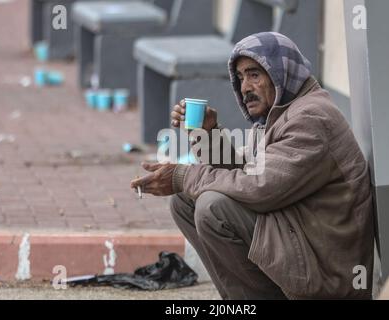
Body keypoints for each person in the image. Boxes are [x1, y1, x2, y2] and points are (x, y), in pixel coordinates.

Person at [131, 32, 375, 300]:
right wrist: (208, 134)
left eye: (254, 74)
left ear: (281, 73)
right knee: (184, 200)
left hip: (329, 272)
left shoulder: (311, 117)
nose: (245, 86)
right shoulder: (281, 111)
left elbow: (260, 187)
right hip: (300, 237)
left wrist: (183, 175)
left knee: (214, 207)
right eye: (240, 77)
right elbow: (248, 173)